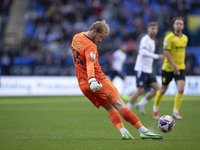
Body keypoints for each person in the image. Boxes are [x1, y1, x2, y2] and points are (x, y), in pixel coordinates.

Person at [71, 20, 162, 140]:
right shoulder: (91, 46)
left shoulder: (77, 37)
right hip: (97, 81)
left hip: (83, 85)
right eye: (100, 36)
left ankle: (123, 131)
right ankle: (143, 131)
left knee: (110, 108)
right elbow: (90, 64)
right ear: (94, 32)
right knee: (120, 103)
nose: (100, 40)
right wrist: (92, 79)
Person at [153, 17, 188, 120]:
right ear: (173, 25)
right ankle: (155, 108)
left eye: (181, 24)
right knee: (163, 89)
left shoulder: (185, 38)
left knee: (181, 89)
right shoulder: (168, 38)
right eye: (177, 23)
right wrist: (174, 66)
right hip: (168, 68)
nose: (179, 25)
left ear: (183, 26)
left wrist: (179, 65)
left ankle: (175, 111)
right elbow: (166, 53)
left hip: (181, 67)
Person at [126, 22, 164, 115]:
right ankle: (126, 109)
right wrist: (157, 56)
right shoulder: (145, 39)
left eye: (155, 29)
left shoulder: (153, 40)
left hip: (148, 69)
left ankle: (140, 104)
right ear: (148, 29)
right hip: (141, 69)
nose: (154, 30)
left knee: (157, 88)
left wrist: (151, 65)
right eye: (152, 28)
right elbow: (143, 52)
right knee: (140, 90)